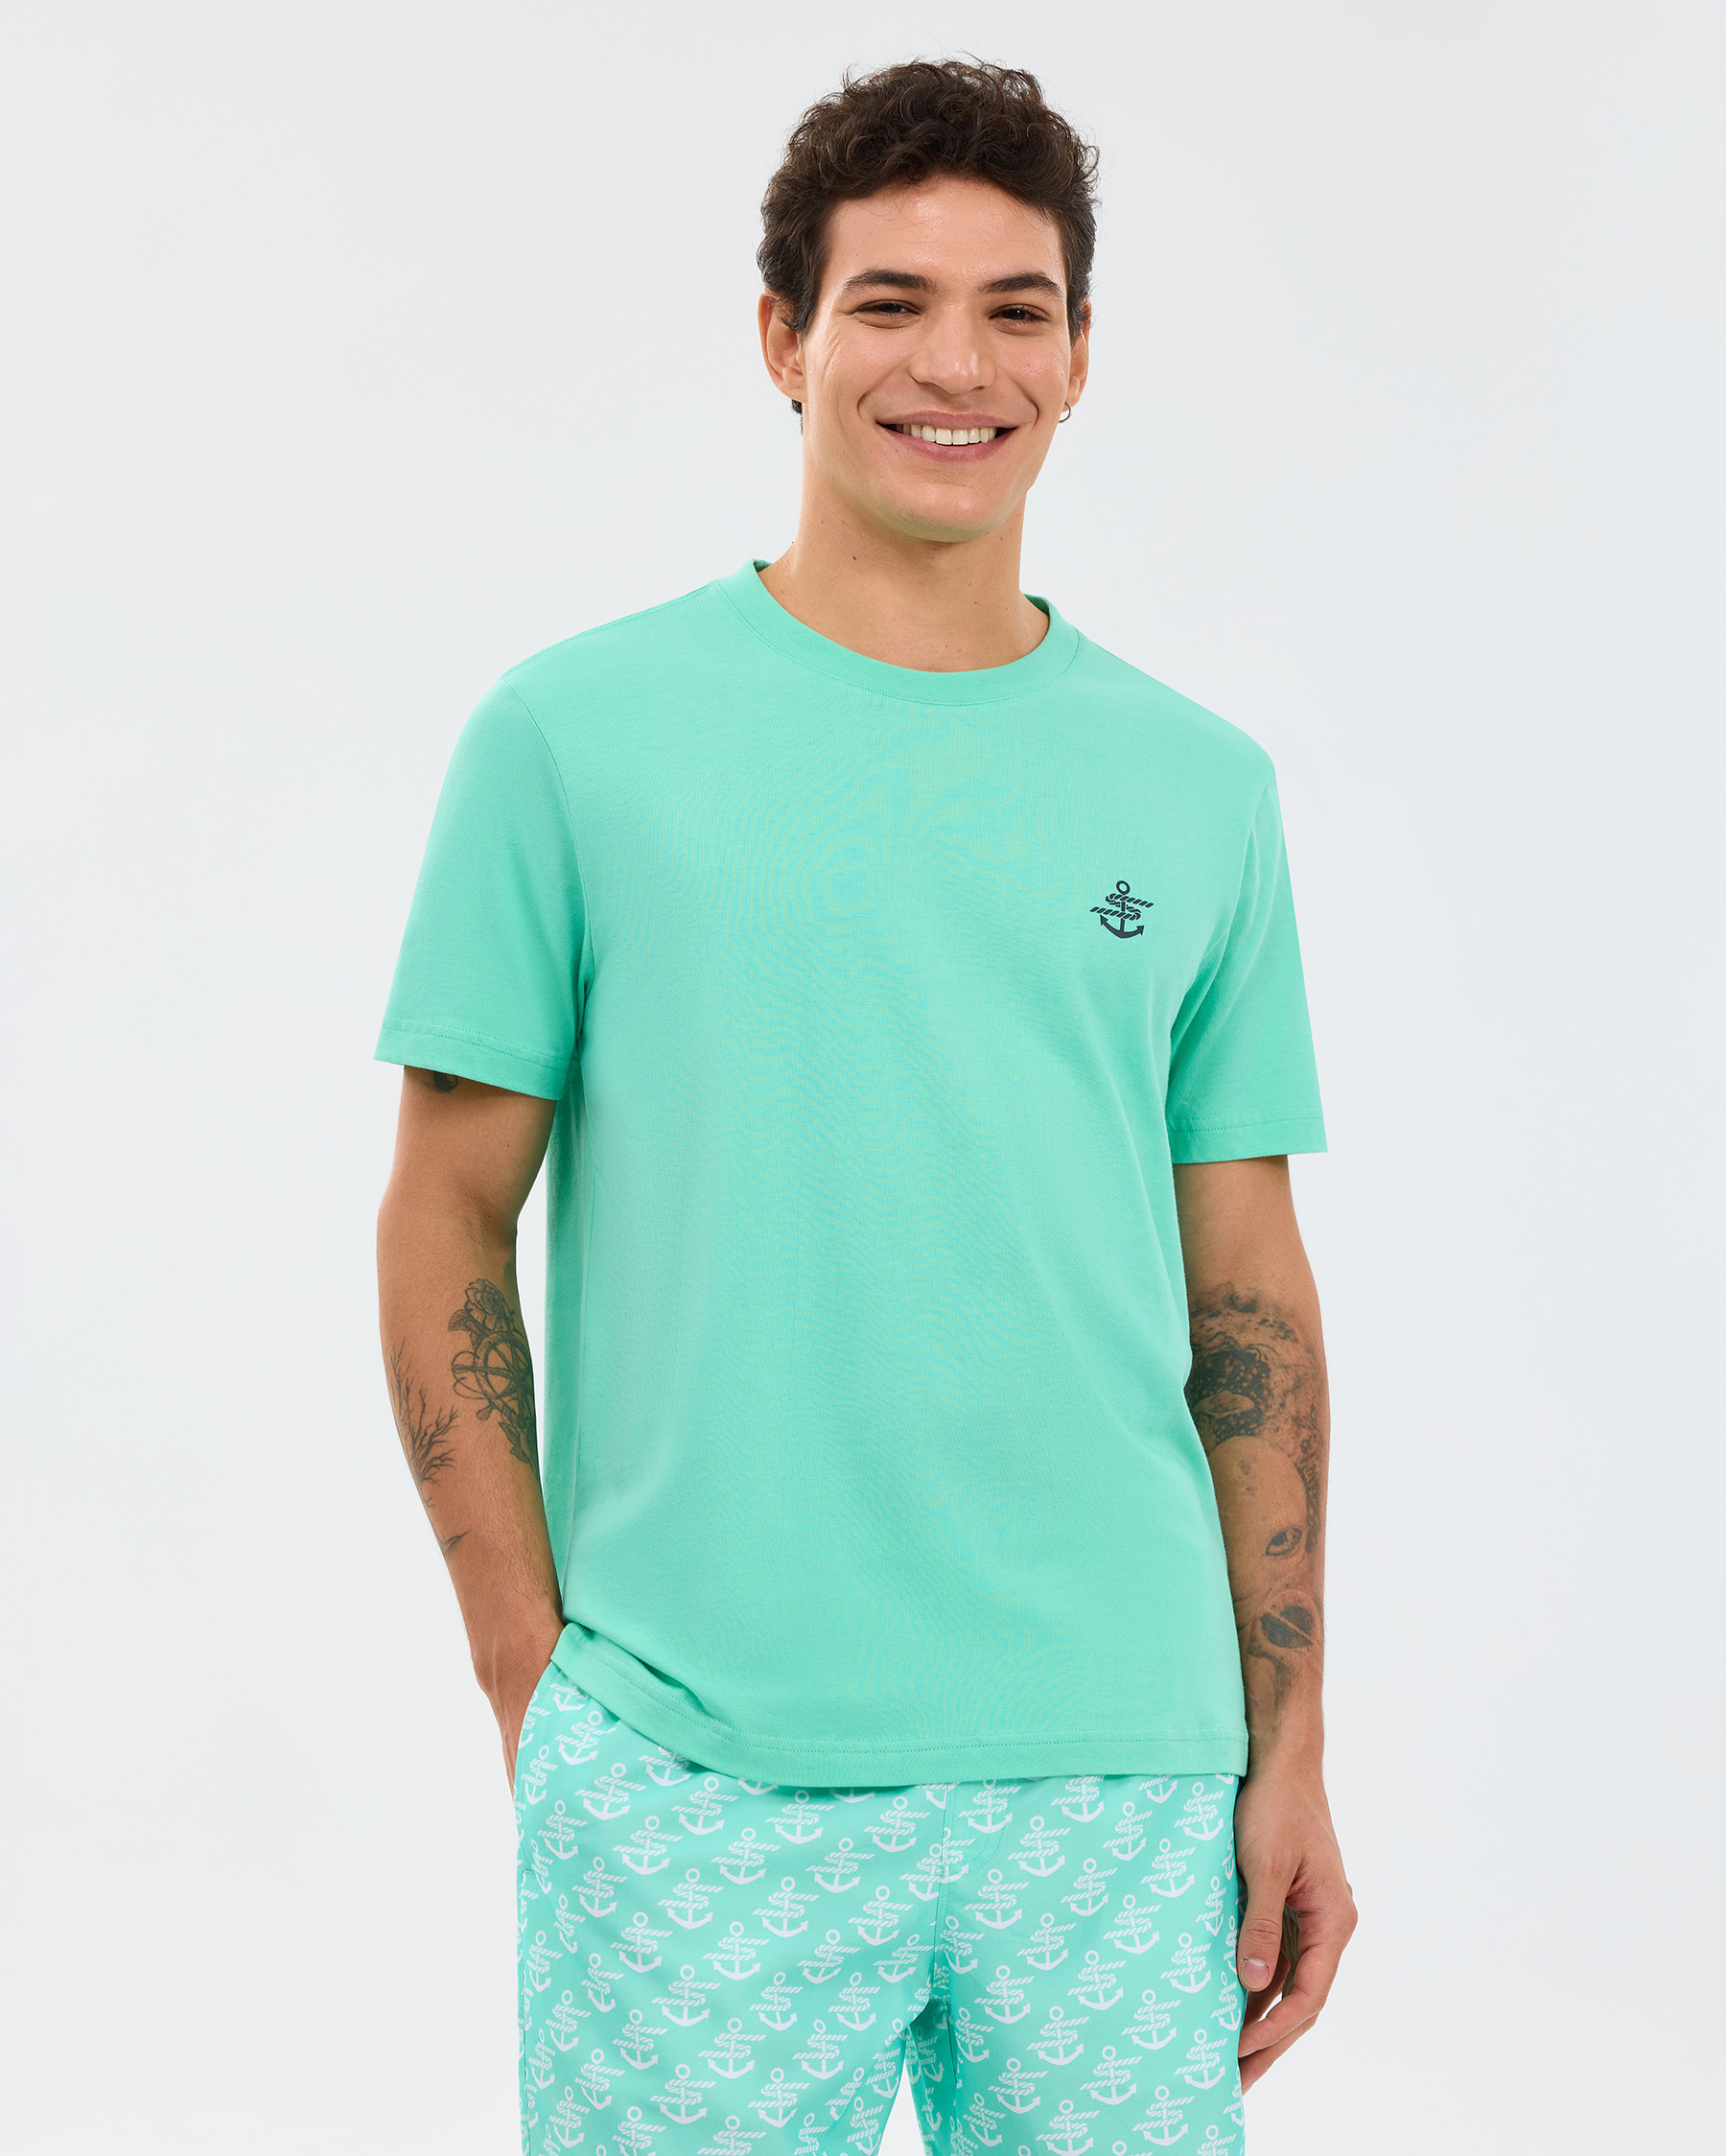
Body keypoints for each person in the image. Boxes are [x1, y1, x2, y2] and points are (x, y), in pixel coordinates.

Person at [374, 58, 1356, 2156]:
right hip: (695, 1761)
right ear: (782, 337)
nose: (957, 364)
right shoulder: (572, 738)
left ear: (1079, 357)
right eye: (890, 302)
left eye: (1017, 309)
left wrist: (1287, 1742)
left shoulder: (1202, 786)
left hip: (1119, 1765)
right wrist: (533, 1681)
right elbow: (444, 1208)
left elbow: (1248, 1287)